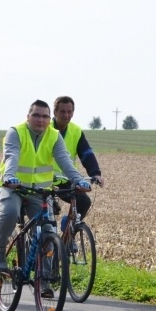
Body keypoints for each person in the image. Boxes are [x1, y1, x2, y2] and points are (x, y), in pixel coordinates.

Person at [0, 100, 91, 298]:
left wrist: (79, 180)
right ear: (28, 116)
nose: (41, 120)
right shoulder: (16, 132)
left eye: (45, 116)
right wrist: (9, 177)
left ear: (49, 119)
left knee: (48, 230)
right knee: (10, 212)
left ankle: (45, 280)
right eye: (37, 115)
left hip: (39, 190)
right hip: (13, 187)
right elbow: (11, 155)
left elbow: (64, 160)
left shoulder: (54, 136)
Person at [51, 96, 104, 229]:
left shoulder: (76, 131)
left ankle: (69, 230)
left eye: (69, 112)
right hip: (46, 180)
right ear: (55, 112)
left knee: (84, 202)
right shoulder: (45, 129)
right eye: (62, 111)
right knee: (48, 215)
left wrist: (95, 173)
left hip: (67, 179)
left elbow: (86, 153)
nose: (66, 115)